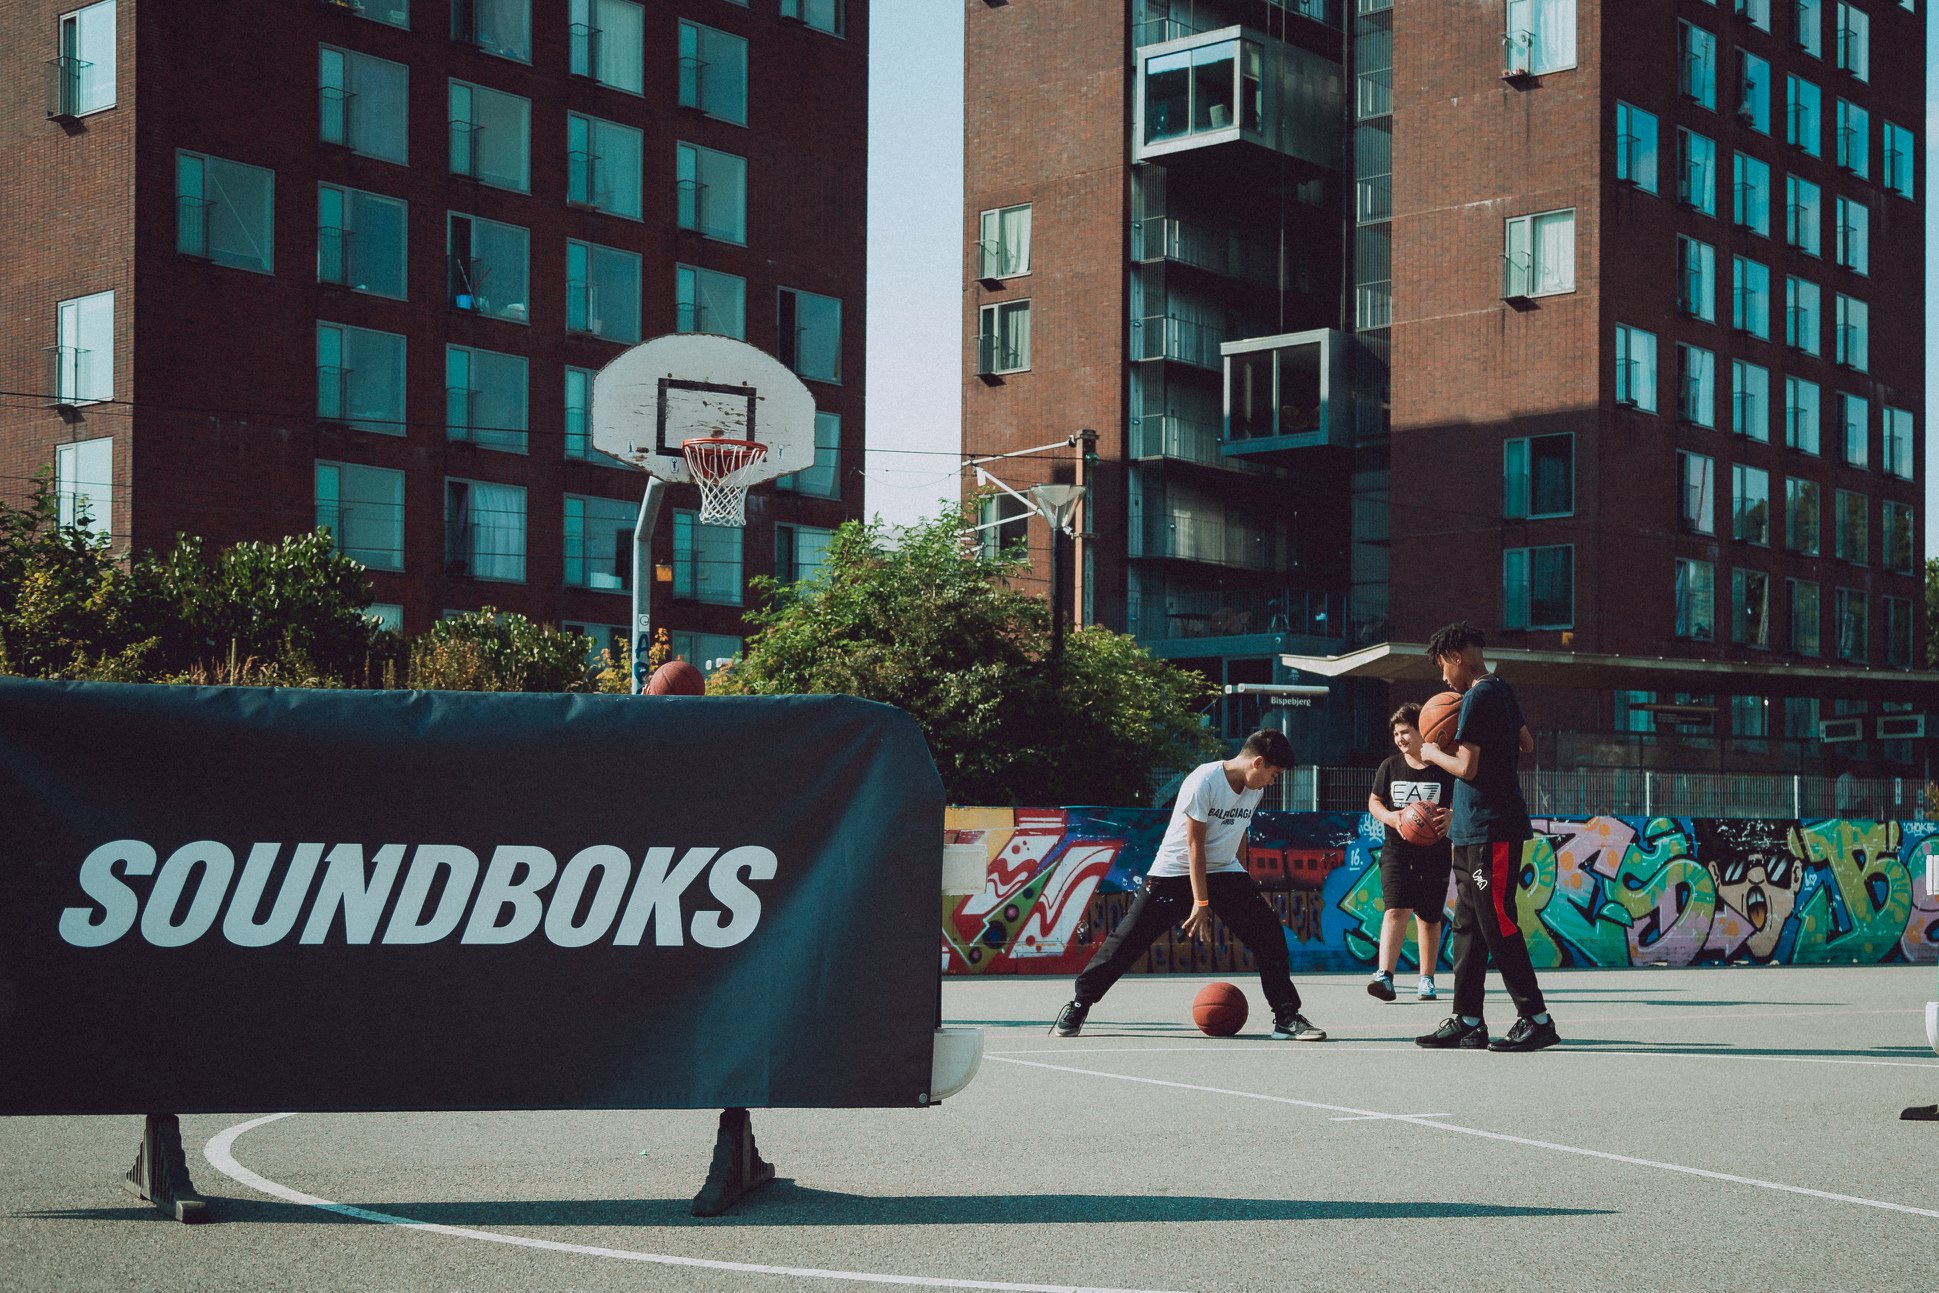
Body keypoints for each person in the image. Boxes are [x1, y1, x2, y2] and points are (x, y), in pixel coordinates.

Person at [1052, 729, 1327, 1041]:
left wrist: (1242, 880)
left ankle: (1286, 1017)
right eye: (1273, 774)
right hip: (1174, 873)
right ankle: (1079, 1003)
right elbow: (1194, 845)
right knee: (1127, 942)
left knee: (1269, 935)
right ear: (1258, 762)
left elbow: (1238, 832)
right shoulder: (1204, 780)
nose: (1273, 782)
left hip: (1224, 871)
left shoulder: (1254, 789)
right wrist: (1202, 901)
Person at [1413, 622, 1559, 1053]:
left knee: (1495, 919)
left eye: (1443, 666)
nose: (1443, 678)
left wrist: (1433, 750)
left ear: (1457, 656)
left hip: (1489, 827)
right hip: (1475, 826)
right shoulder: (1502, 689)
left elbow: (1468, 768)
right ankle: (1468, 1019)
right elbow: (1526, 744)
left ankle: (1536, 1017)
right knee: (1468, 925)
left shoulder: (1477, 695)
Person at [1365, 703, 1455, 1003]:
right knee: (1395, 910)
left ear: (1423, 731)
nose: (1399, 738)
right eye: (1396, 733)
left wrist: (1452, 816)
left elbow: (1461, 802)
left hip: (1435, 851)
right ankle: (1384, 976)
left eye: (1405, 732)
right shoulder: (1390, 766)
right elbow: (1374, 801)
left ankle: (1426, 979)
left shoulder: (1443, 767)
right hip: (1397, 849)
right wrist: (1391, 818)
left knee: (1429, 917)